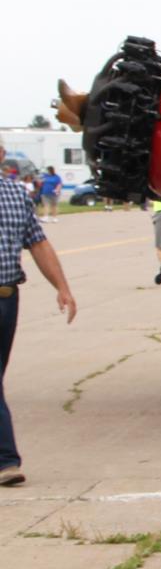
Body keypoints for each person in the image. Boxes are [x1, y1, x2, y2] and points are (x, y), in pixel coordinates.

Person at [0, 172, 77, 486]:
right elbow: (38, 243)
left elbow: (37, 243)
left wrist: (63, 287)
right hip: (7, 300)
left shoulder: (17, 193)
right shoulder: (16, 193)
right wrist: (62, 288)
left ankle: (5, 460)